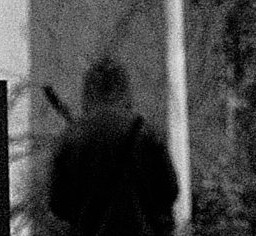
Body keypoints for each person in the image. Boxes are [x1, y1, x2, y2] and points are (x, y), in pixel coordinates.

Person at [47, 58, 179, 236]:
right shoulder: (144, 131)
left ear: (88, 91)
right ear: (125, 89)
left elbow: (58, 204)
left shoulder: (72, 137)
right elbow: (169, 191)